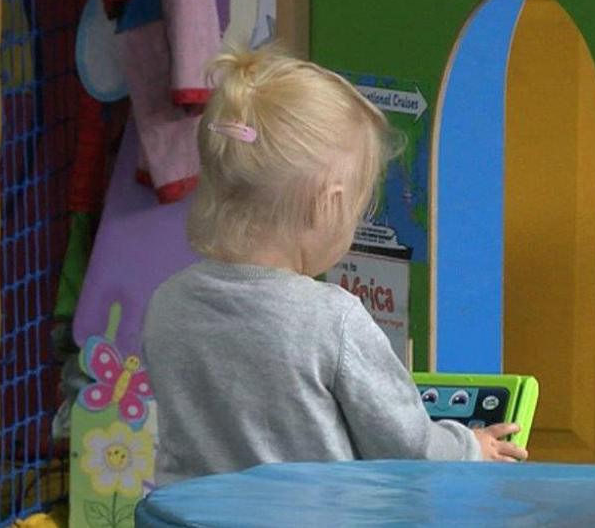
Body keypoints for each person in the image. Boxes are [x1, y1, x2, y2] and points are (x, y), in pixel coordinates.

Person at [142, 46, 528, 486]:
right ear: (328, 206)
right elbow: (409, 449)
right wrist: (469, 447)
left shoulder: (168, 303)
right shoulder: (331, 320)